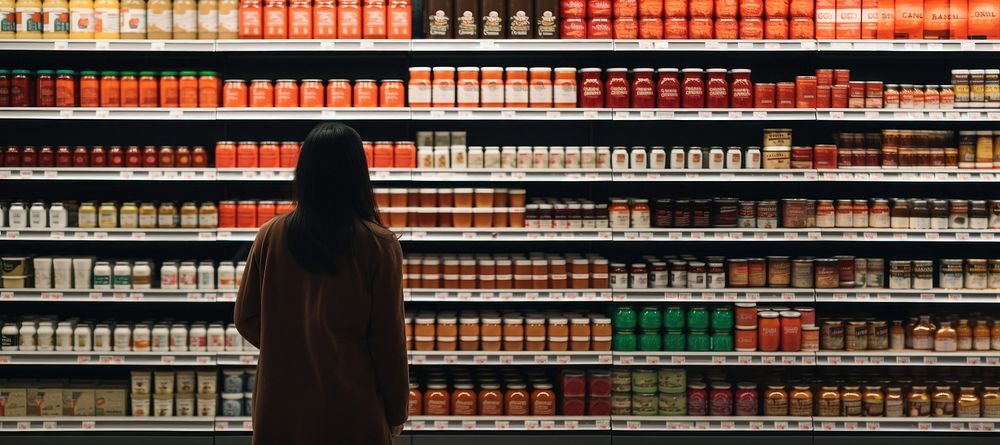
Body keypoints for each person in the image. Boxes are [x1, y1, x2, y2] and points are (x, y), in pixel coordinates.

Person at [235, 122, 408, 445]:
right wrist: (397, 411)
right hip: (352, 405)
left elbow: (245, 317)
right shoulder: (379, 244)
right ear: (358, 174)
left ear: (304, 171)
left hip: (282, 404)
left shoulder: (270, 235)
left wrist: (293, 345)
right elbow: (388, 340)